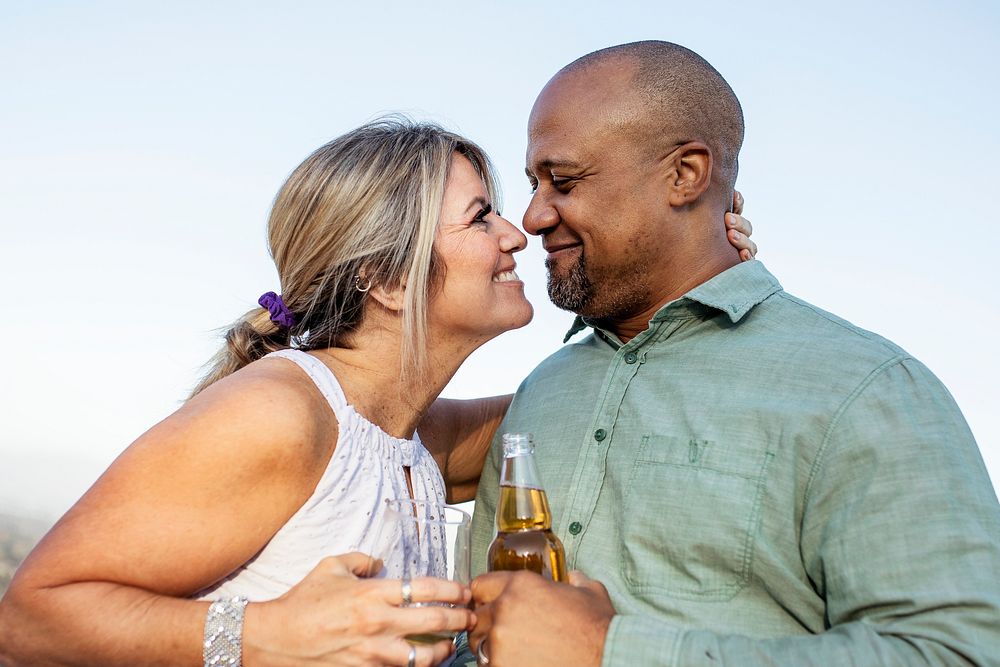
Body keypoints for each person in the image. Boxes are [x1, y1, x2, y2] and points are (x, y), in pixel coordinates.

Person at [0, 115, 759, 667]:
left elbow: (595, 402)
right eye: (479, 215)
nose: (515, 235)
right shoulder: (279, 414)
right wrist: (264, 633)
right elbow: (30, 617)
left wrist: (687, 260)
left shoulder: (408, 433)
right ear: (389, 279)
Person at [465, 41, 1000, 666]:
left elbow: (958, 653)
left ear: (685, 174)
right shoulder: (541, 392)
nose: (531, 217)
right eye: (534, 183)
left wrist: (613, 652)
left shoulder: (864, 388)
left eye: (565, 181)